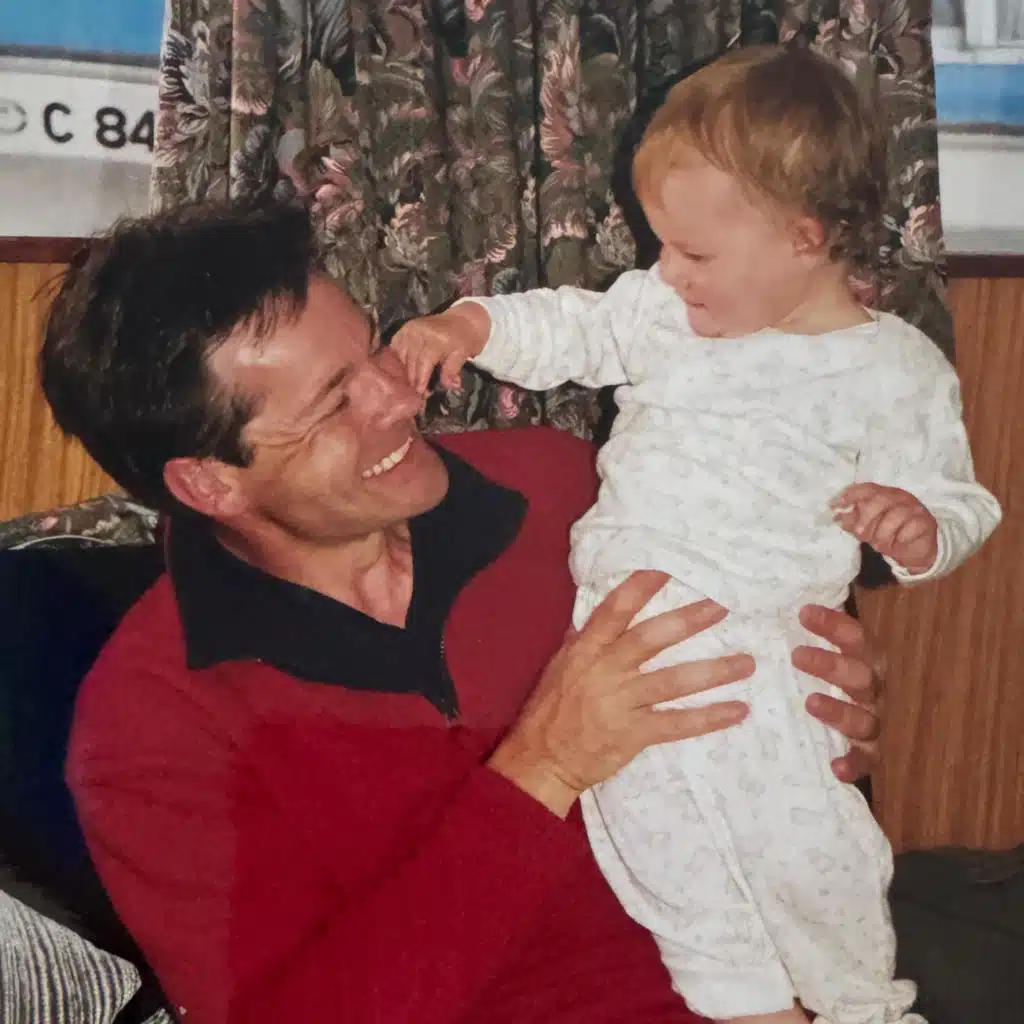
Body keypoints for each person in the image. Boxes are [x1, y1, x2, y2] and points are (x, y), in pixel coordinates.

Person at [41, 199, 885, 1024]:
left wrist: (819, 700)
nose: (401, 398)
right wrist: (543, 770)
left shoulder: (572, 490)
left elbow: (786, 698)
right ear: (210, 483)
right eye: (336, 403)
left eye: (375, 348)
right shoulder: (152, 730)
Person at [391, 45, 1001, 1024]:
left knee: (807, 847)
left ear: (804, 238)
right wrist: (471, 326)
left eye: (694, 253)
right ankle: (743, 1005)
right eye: (662, 246)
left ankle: (861, 1003)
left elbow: (962, 498)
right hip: (625, 642)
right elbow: (574, 325)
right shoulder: (663, 314)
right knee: (657, 841)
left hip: (766, 653)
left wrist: (921, 526)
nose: (666, 272)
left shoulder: (891, 370)